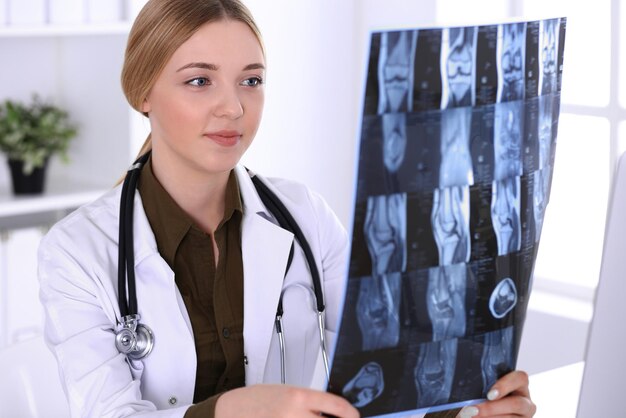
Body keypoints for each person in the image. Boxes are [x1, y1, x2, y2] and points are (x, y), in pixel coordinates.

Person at [37, 1, 536, 417]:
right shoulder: (77, 251)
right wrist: (235, 411)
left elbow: (387, 366)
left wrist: (466, 409)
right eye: (199, 81)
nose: (233, 107)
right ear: (143, 92)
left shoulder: (304, 215)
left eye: (250, 81)